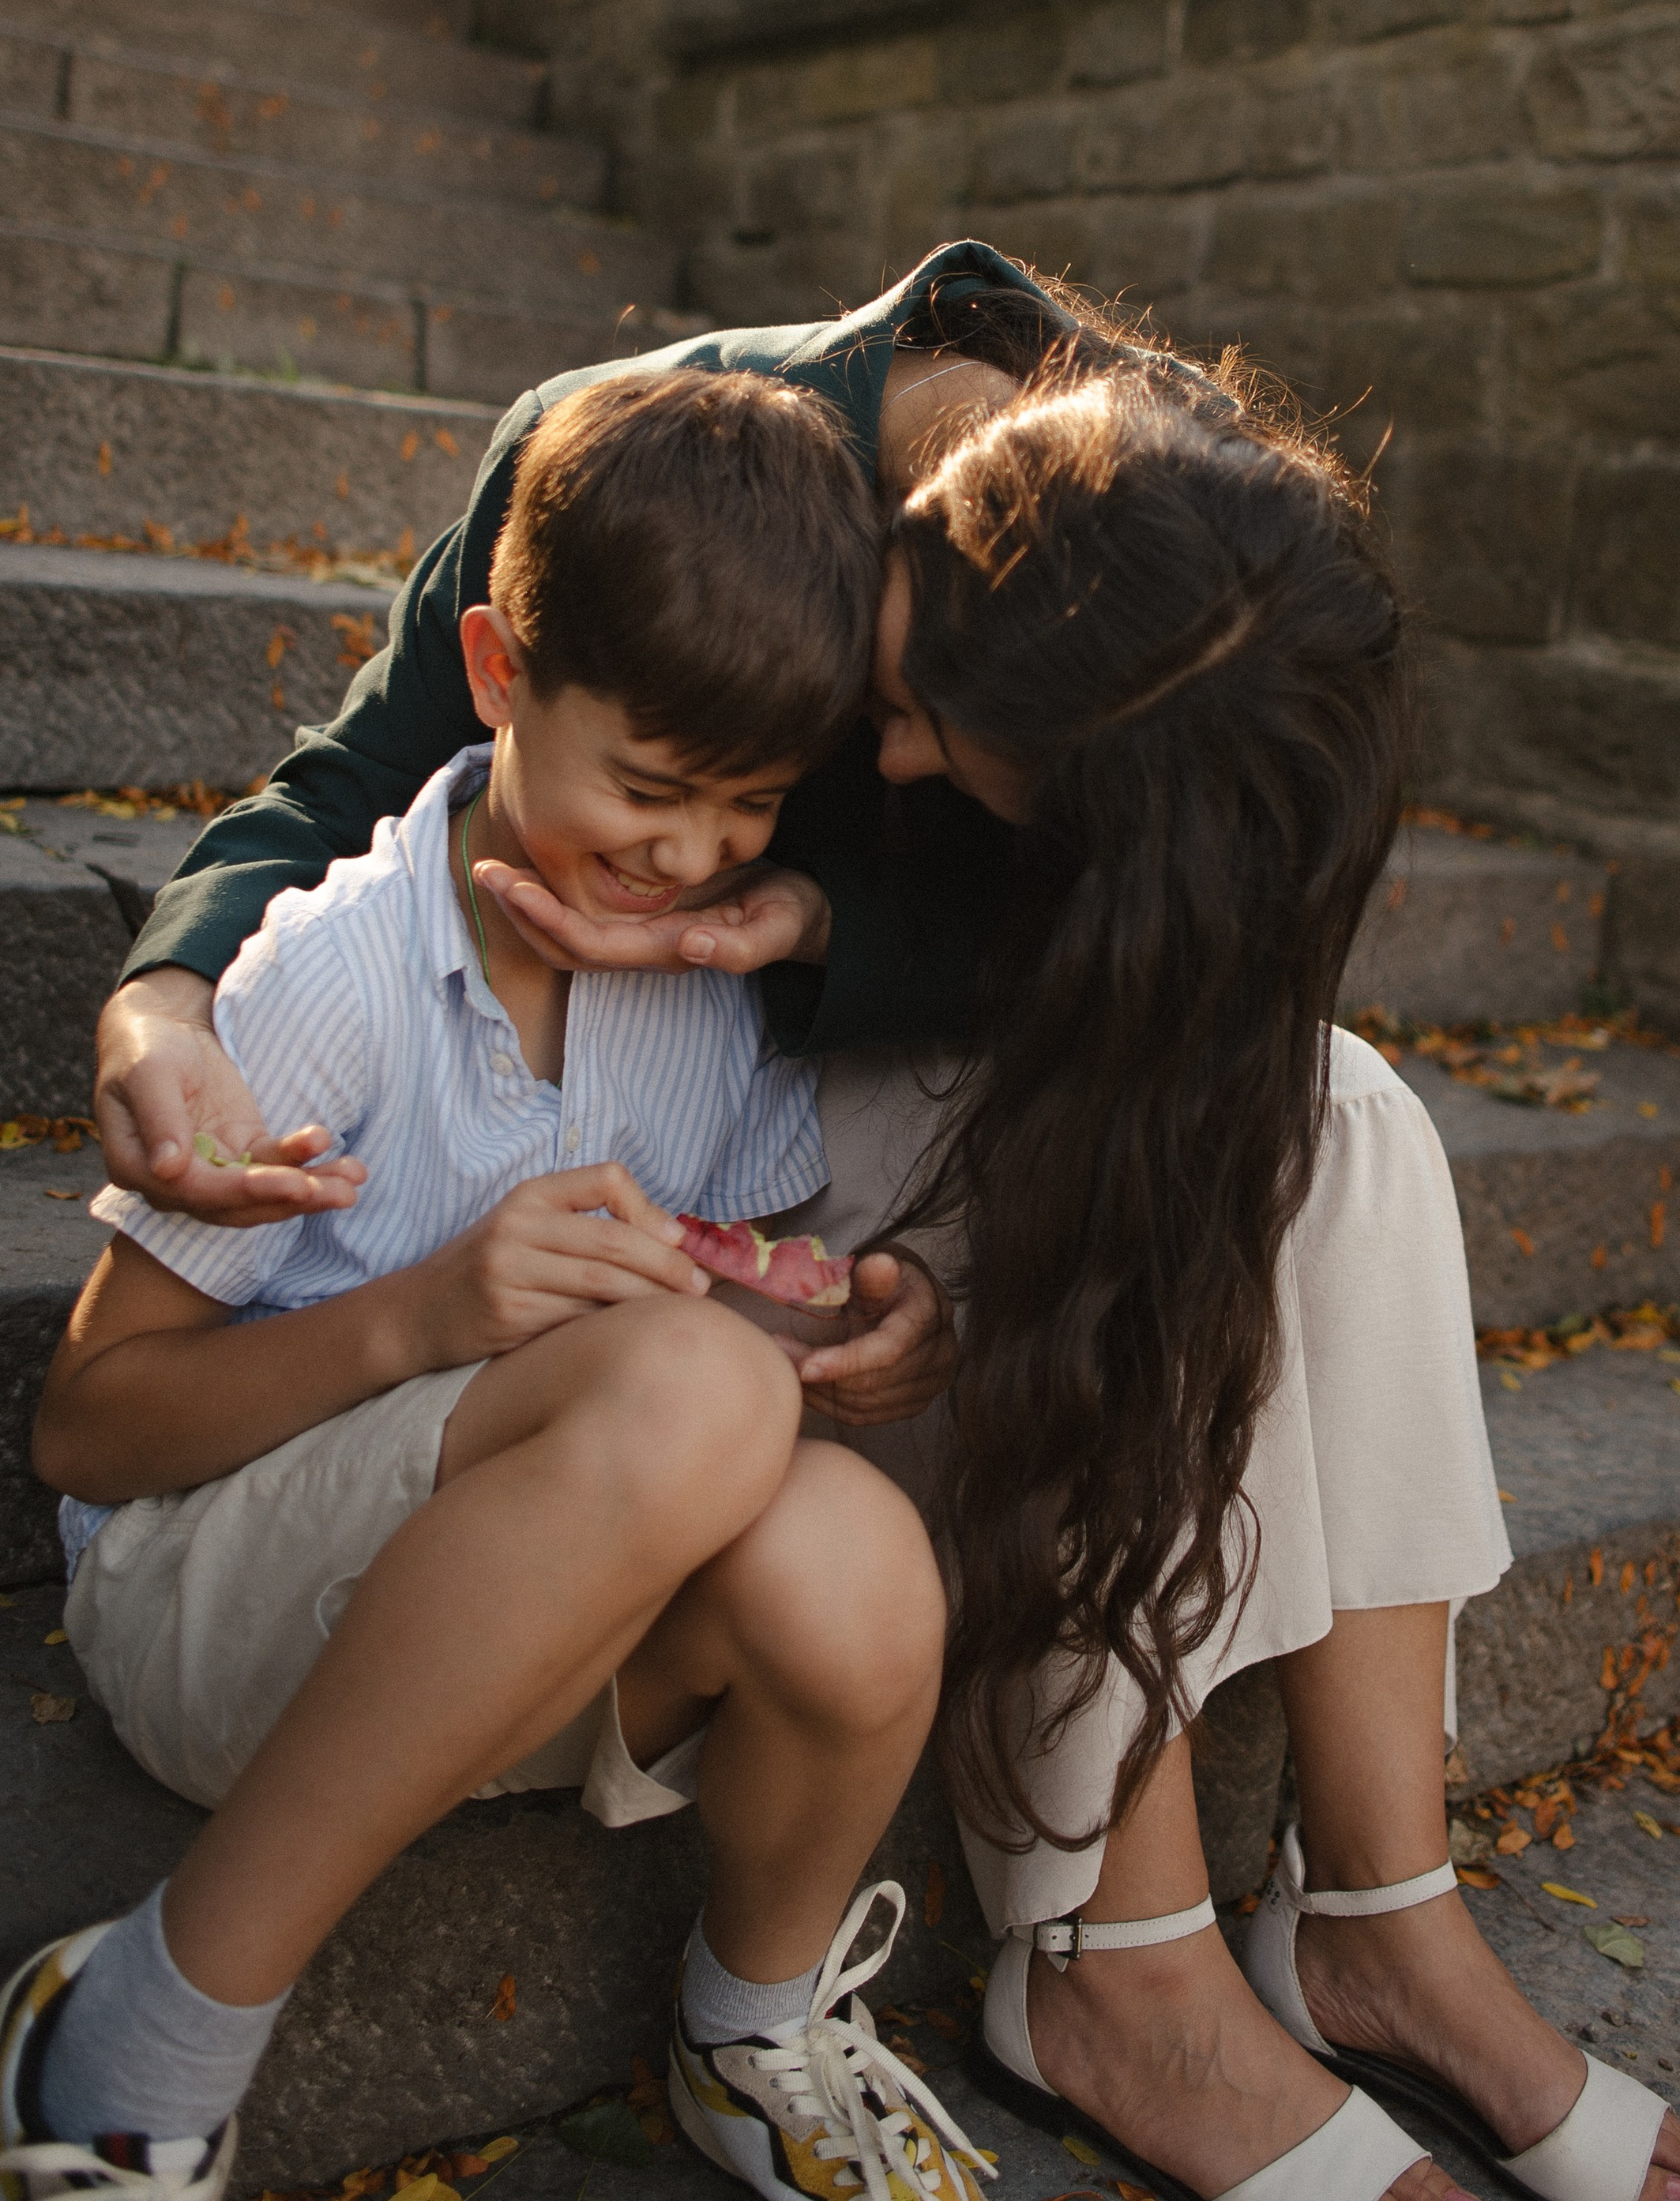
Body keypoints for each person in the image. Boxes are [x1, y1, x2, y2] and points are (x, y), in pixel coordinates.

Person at [92, 245, 1680, 2201]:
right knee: (846, 1324)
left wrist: (833, 923)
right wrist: (165, 1002)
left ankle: (1384, 1911)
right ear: (926, 542)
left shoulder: (1175, 560)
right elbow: (356, 794)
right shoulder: (642, 494)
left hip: (734, 1069)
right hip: (605, 1148)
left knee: (1340, 1118)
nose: (909, 767)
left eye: (953, 771)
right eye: (917, 718)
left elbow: (1137, 958)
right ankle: (1117, 1954)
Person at [5, 370, 983, 2201]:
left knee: (857, 1563)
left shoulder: (699, 992)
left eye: (753, 805)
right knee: (694, 1393)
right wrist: (421, 1317)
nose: (690, 858)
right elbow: (84, 1421)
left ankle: (752, 2023)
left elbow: (713, 1352)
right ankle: (144, 2016)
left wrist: (826, 1320)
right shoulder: (332, 975)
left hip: (527, 1620)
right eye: (646, 788)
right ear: (492, 672)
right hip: (215, 1618)